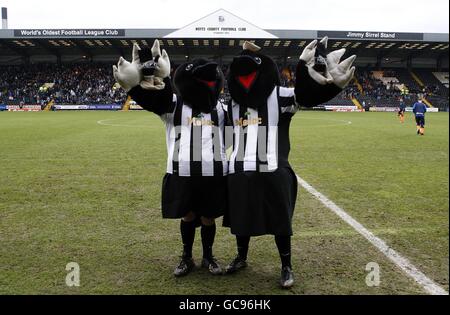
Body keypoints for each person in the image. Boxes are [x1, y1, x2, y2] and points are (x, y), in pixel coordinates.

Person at [223, 38, 356, 288]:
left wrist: (325, 83)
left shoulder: (280, 97)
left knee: (280, 221)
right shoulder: (231, 105)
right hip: (239, 170)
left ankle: (286, 265)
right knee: (242, 218)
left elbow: (305, 96)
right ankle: (241, 257)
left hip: (273, 170)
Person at [113, 40, 228, 277]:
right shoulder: (173, 105)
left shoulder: (221, 109)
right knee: (187, 215)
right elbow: (153, 99)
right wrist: (135, 86)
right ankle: (187, 256)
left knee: (208, 217)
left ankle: (208, 256)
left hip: (213, 173)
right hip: (181, 171)